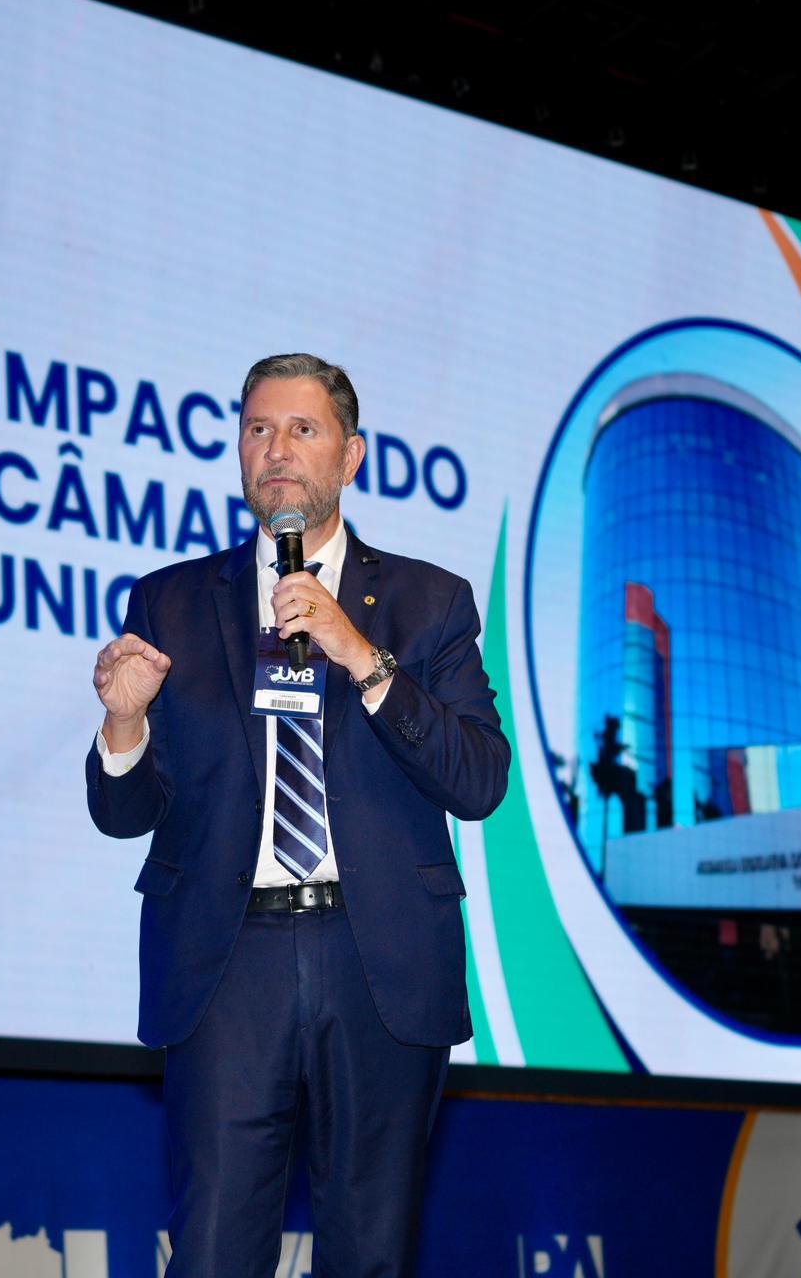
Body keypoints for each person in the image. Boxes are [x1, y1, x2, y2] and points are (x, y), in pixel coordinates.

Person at [86, 353, 510, 1277]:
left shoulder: (425, 602)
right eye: (257, 429)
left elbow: (479, 780)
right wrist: (123, 724)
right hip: (228, 957)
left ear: (352, 456)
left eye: (302, 430)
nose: (275, 449)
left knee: (368, 1251)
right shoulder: (171, 600)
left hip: (381, 955)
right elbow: (127, 813)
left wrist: (360, 654)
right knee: (210, 1251)